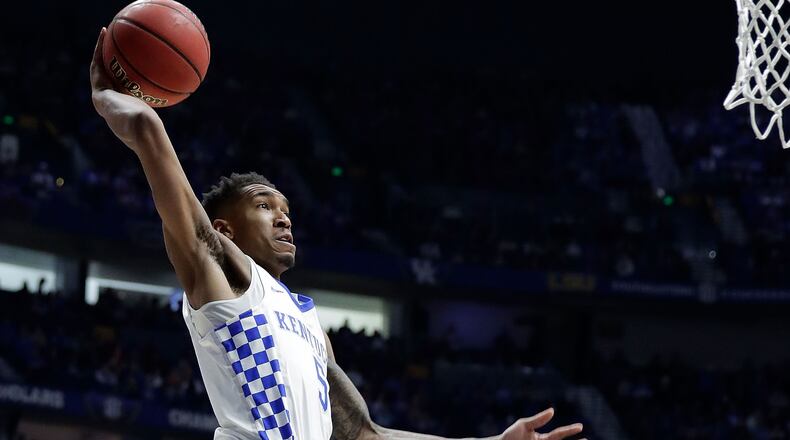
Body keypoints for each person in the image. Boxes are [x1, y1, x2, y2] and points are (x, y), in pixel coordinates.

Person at [89, 28, 585, 440]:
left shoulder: (308, 322)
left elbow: (366, 435)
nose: (284, 218)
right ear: (226, 230)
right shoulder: (221, 277)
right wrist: (107, 95)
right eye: (264, 206)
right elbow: (151, 133)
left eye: (286, 209)